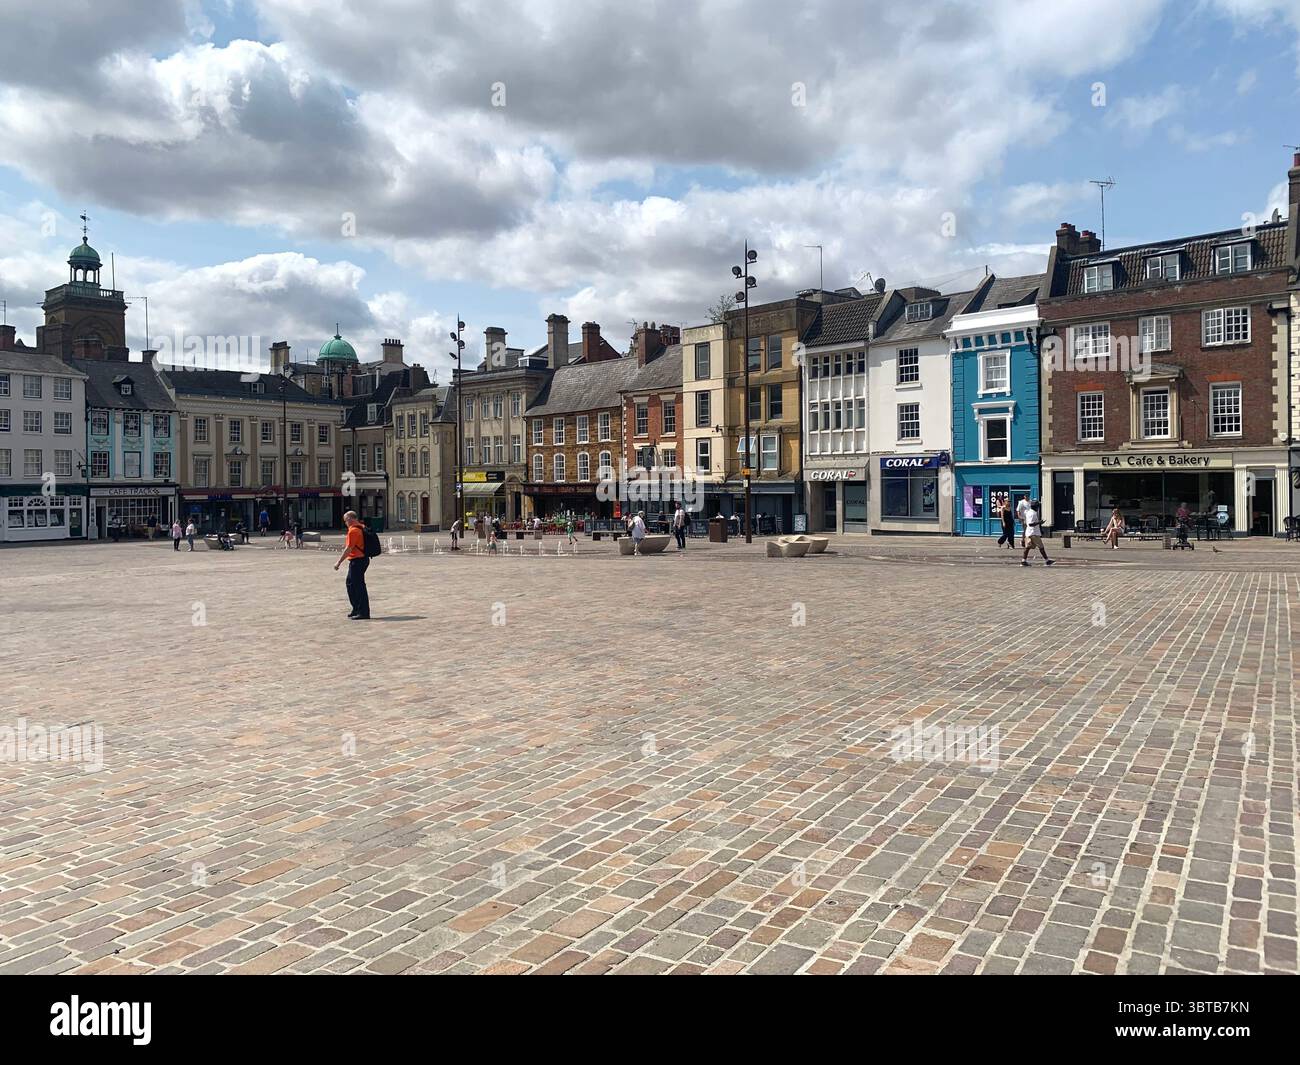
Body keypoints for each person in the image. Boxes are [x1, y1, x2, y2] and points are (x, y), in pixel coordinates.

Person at [334, 510, 370, 620]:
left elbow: (348, 549)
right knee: (351, 583)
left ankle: (363, 612)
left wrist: (339, 562)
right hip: (362, 559)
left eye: (345, 520)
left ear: (350, 519)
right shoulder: (361, 527)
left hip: (358, 560)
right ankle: (356, 609)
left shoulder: (353, 531)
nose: (345, 523)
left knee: (358, 586)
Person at [1021, 499, 1054, 567]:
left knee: (1028, 547)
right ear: (1036, 507)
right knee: (1041, 547)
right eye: (1038, 506)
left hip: (1030, 532)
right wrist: (1040, 522)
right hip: (1033, 534)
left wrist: (1040, 528)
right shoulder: (1032, 513)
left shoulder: (1029, 512)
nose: (1038, 508)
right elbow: (1030, 524)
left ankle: (1023, 560)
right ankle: (1047, 560)